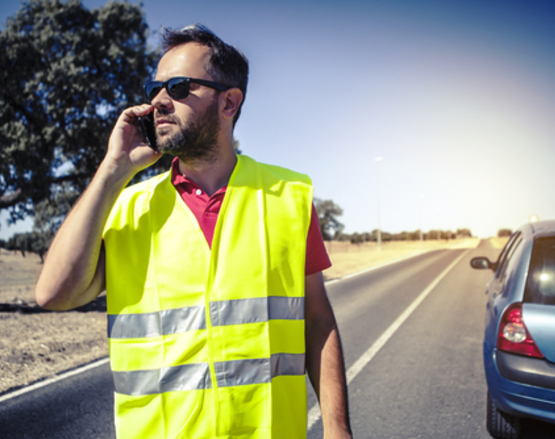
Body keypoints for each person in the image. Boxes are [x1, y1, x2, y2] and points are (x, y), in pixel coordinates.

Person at [35, 24, 352, 439]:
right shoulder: (128, 206)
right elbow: (53, 295)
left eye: (180, 87)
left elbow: (316, 320)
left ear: (229, 102)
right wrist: (113, 171)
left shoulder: (288, 196)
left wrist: (337, 427)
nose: (159, 101)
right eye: (155, 88)